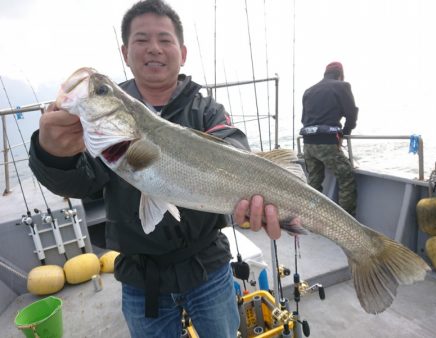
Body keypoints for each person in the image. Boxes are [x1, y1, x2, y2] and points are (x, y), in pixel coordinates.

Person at [29, 1, 282, 337]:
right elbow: (82, 184)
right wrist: (53, 156)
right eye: (141, 40)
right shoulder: (104, 133)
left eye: (165, 39)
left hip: (207, 265)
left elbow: (233, 147)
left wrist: (256, 193)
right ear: (125, 51)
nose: (154, 49)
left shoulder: (206, 110)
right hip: (139, 275)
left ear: (182, 52)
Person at [300, 62, 359, 216]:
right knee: (346, 177)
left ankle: (311, 216)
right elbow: (351, 114)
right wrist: (344, 133)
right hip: (326, 144)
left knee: (314, 183)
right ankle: (346, 222)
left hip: (308, 145)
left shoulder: (308, 91)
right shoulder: (342, 86)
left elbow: (304, 119)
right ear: (340, 75)